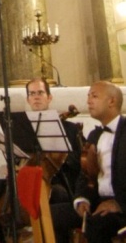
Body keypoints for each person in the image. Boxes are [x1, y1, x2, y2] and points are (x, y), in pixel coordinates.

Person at [0, 77, 81, 243]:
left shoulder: (69, 128)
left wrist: (59, 156)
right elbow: (17, 157)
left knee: (58, 195)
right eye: (32, 94)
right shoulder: (21, 127)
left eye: (40, 93)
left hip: (54, 181)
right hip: (24, 179)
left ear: (49, 97)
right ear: (28, 99)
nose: (36, 97)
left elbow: (79, 160)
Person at [52, 81, 126, 243]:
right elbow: (84, 175)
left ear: (112, 101)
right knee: (52, 216)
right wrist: (82, 200)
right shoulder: (94, 135)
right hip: (97, 201)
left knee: (96, 225)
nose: (88, 101)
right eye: (88, 96)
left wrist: (119, 204)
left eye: (94, 96)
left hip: (121, 205)